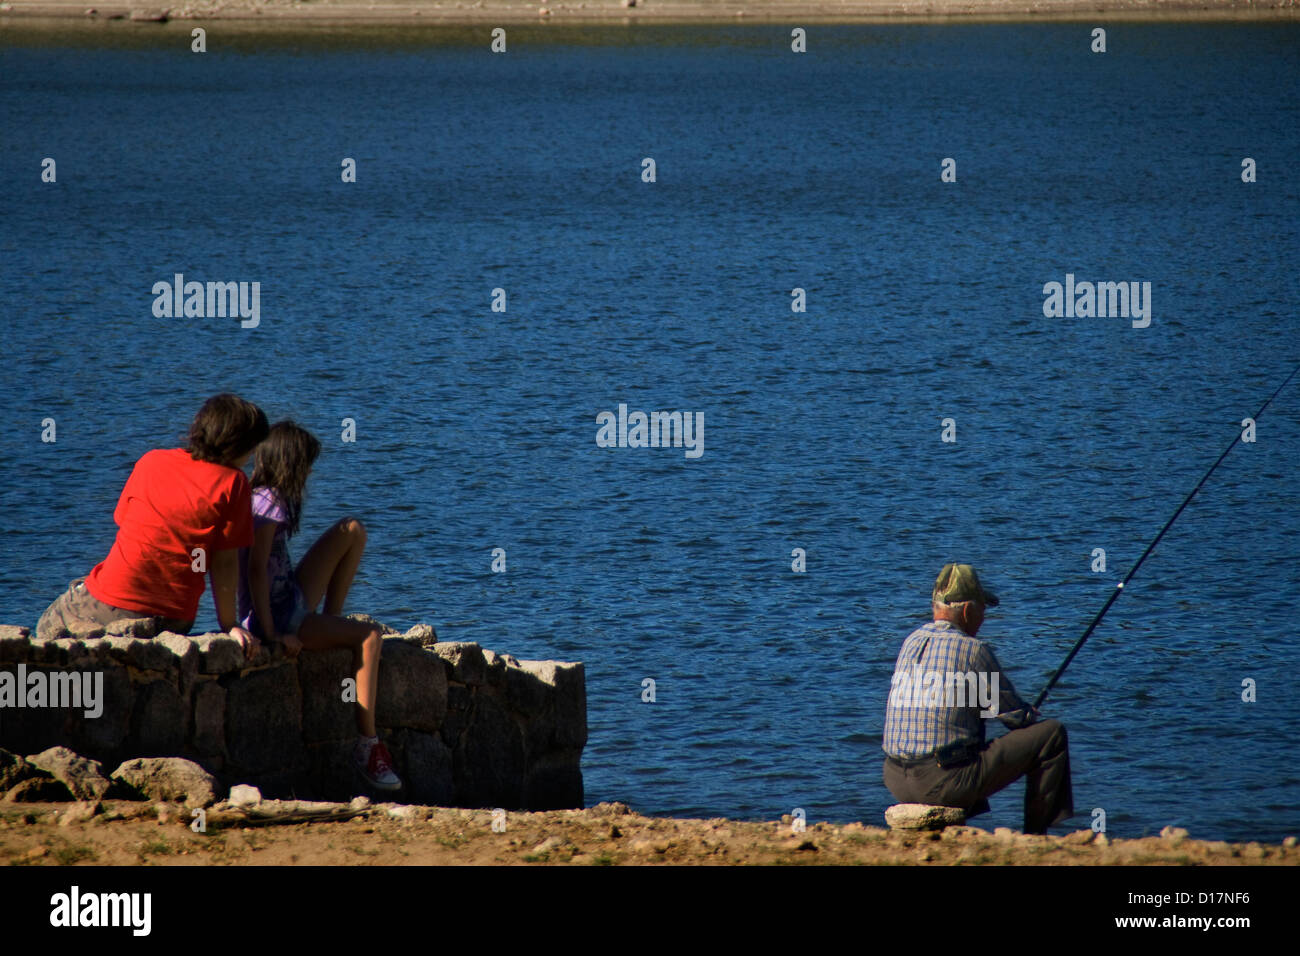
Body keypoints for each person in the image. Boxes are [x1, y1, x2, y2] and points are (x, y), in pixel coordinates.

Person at [37, 394, 269, 663]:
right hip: (176, 616)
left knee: (46, 626)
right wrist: (229, 624)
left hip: (113, 598)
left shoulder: (151, 461)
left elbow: (124, 520)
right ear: (238, 444)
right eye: (251, 448)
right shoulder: (234, 483)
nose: (251, 456)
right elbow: (224, 562)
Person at [237, 420, 401, 792]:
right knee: (371, 637)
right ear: (290, 463)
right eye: (307, 463)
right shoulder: (268, 504)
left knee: (352, 529)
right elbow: (256, 572)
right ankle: (368, 747)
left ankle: (330, 621)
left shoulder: (262, 494)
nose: (311, 471)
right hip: (278, 615)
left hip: (290, 597)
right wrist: (274, 632)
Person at [881, 563, 1073, 834]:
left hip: (895, 778)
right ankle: (1036, 835)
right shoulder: (973, 650)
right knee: (1051, 735)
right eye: (983, 608)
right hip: (940, 781)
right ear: (969, 610)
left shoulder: (910, 641)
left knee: (961, 740)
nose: (984, 618)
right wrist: (1029, 714)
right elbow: (1015, 718)